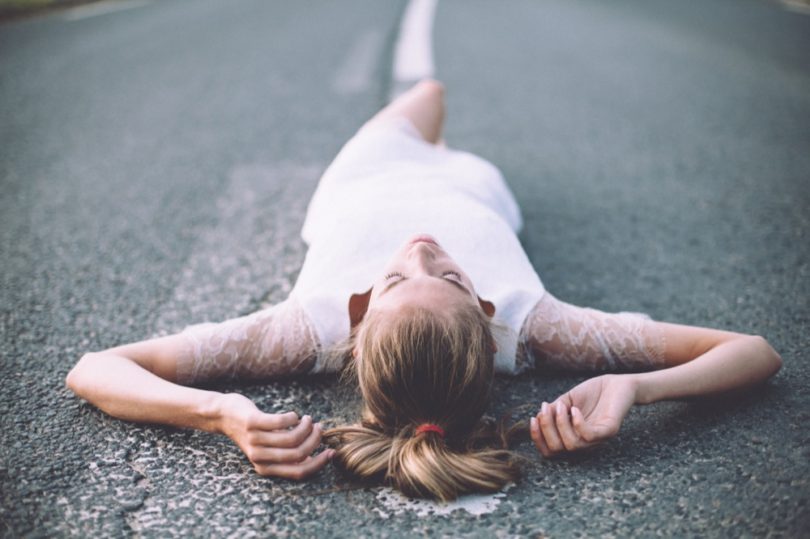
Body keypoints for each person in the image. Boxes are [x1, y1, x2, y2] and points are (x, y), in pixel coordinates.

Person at [66, 80, 782, 502]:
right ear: (484, 311)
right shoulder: (537, 329)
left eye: (399, 280)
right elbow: (755, 351)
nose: (421, 249)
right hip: (474, 186)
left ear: (359, 319)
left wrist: (220, 412)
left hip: (369, 174)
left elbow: (94, 367)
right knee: (434, 96)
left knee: (429, 97)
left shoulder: (301, 332)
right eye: (445, 277)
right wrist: (638, 389)